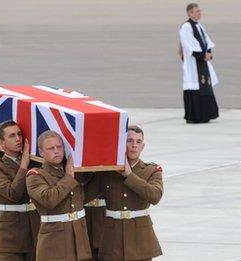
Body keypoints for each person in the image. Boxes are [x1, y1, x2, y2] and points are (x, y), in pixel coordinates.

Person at [26, 130, 94, 261]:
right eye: (51, 148)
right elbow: (49, 200)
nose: (56, 151)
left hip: (79, 242)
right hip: (54, 245)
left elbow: (85, 196)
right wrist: (69, 177)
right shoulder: (35, 175)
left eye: (59, 147)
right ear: (41, 152)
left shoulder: (75, 171)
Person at [98, 125, 163, 261]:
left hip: (140, 240)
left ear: (142, 146)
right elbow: (84, 196)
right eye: (130, 141)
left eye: (138, 142)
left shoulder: (151, 170)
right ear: (122, 144)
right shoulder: (107, 172)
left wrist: (129, 175)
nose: (134, 145)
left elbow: (155, 196)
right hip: (112, 240)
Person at [0, 120, 40, 260]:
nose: (18, 139)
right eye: (12, 136)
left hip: (34, 230)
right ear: (2, 143)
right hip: (10, 236)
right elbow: (13, 194)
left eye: (19, 134)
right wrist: (24, 165)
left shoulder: (35, 163)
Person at [179, 3, 219, 123]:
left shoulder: (200, 26)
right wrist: (202, 55)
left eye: (199, 11)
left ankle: (205, 115)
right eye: (196, 11)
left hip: (202, 62)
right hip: (193, 63)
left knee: (205, 86)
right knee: (195, 86)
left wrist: (208, 53)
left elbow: (207, 41)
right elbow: (189, 45)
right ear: (190, 13)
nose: (199, 13)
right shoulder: (186, 27)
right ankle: (195, 116)